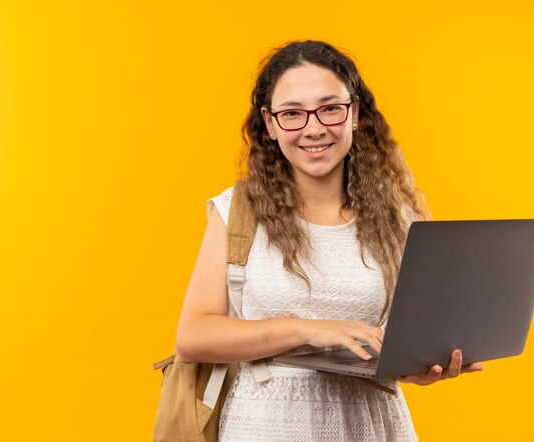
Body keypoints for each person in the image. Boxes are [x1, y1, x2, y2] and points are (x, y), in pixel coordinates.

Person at [176, 40, 484, 442]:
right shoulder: (238, 210)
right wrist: (311, 329)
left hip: (373, 426)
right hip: (265, 426)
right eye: (292, 114)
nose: (314, 128)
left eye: (330, 108)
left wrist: (422, 368)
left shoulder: (398, 217)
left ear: (354, 113)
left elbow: (402, 340)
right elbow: (192, 338)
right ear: (269, 124)